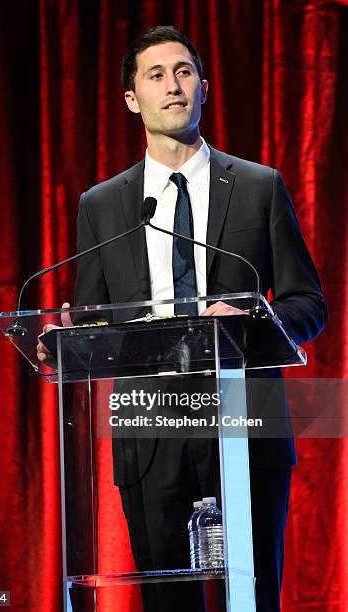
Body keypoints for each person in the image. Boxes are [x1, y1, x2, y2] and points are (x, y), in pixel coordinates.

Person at [37, 26, 327, 612]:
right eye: (156, 75)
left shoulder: (257, 186)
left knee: (252, 596)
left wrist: (252, 318)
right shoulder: (102, 205)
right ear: (131, 99)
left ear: (203, 87)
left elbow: (307, 304)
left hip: (243, 420)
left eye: (184, 72)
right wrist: (65, 342)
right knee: (166, 601)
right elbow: (96, 320)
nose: (173, 87)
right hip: (149, 428)